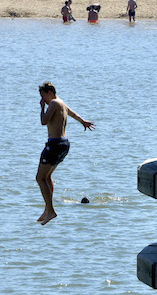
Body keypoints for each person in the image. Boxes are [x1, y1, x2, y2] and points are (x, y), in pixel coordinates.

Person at [36, 82, 95, 225]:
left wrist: (42, 108)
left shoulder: (53, 104)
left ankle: (51, 211)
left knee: (39, 178)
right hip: (64, 144)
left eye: (43, 95)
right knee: (47, 176)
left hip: (54, 144)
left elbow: (44, 121)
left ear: (49, 92)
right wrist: (83, 122)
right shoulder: (61, 102)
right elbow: (71, 113)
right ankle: (48, 208)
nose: (42, 99)